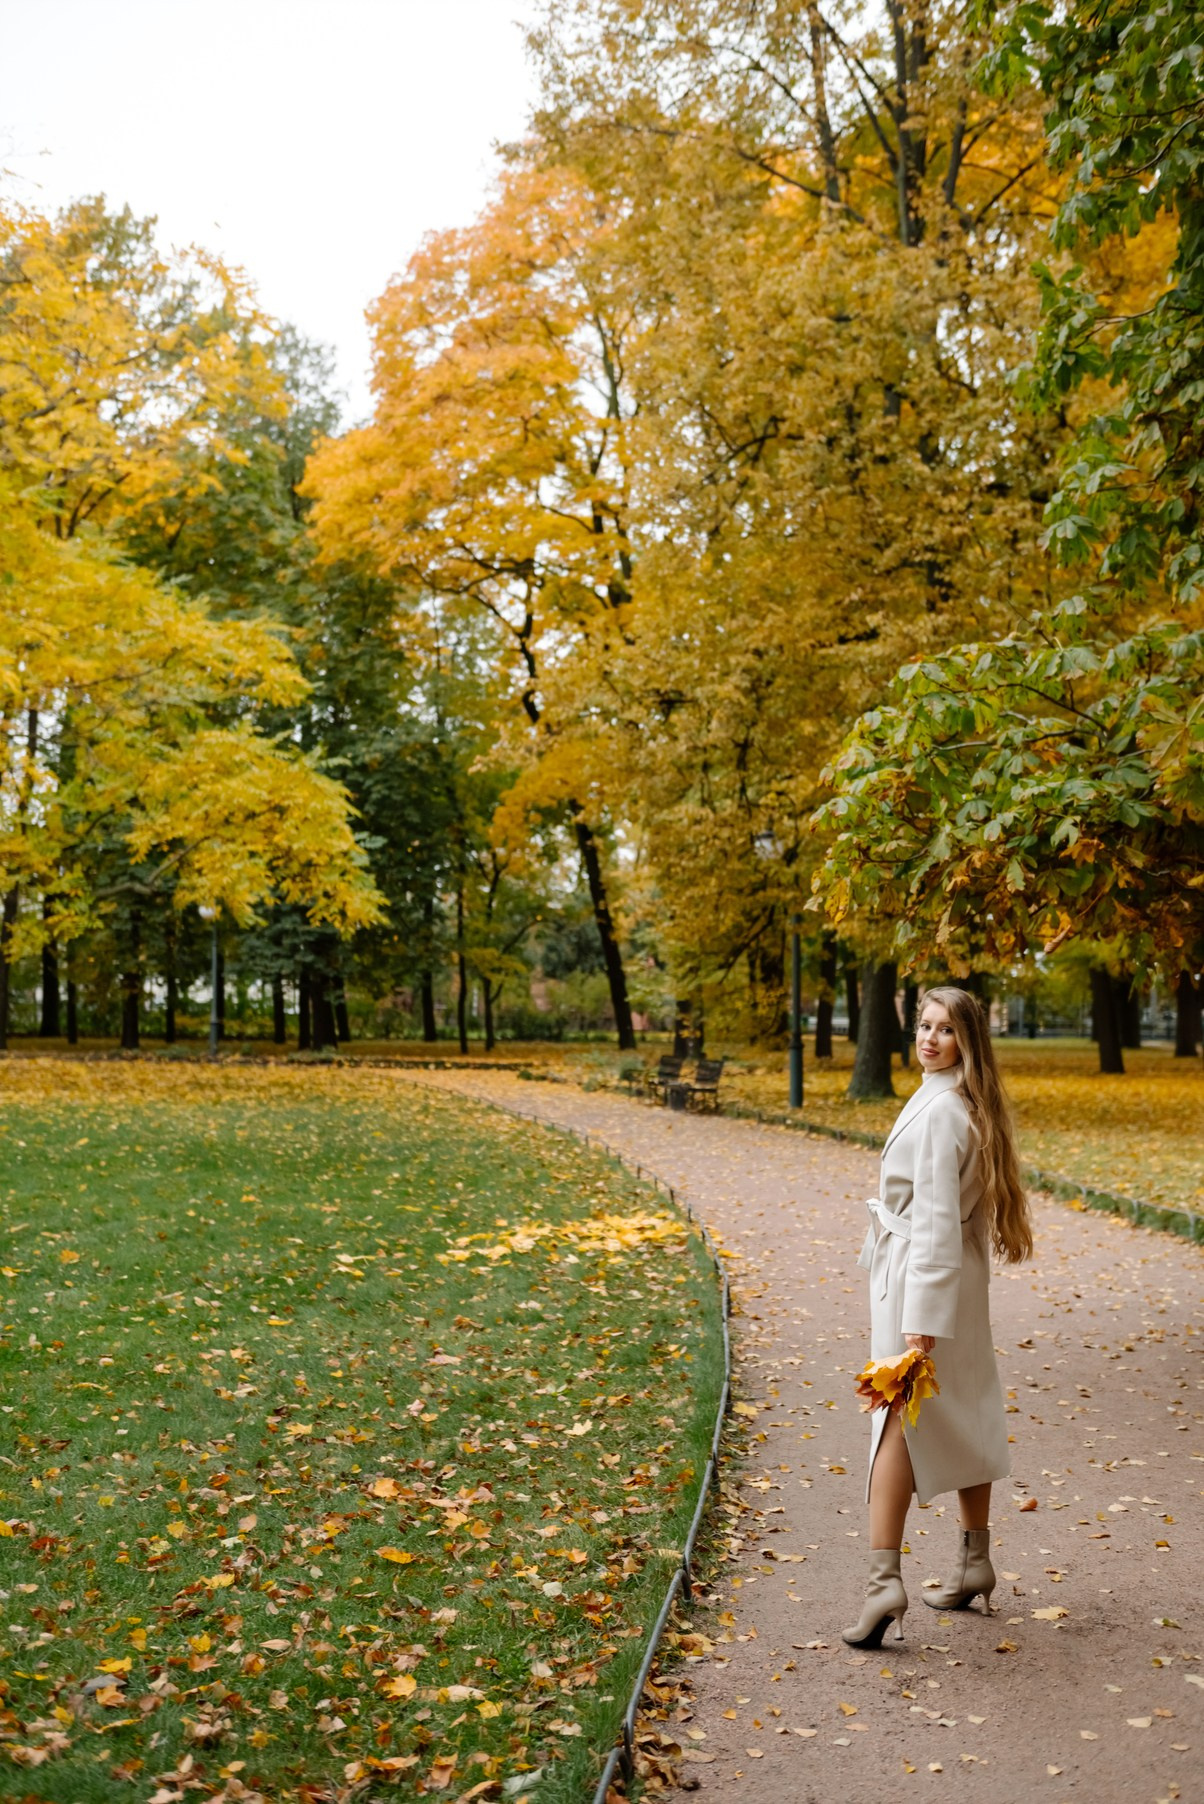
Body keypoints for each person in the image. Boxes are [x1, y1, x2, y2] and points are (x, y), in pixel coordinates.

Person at [842, 986, 1033, 1649]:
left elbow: (930, 1225)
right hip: (954, 1279)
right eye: (923, 1025)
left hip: (920, 1283)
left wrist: (920, 1325)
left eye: (945, 1030)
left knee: (896, 1417)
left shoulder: (943, 1114)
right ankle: (975, 1561)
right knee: (965, 1409)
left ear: (968, 1041)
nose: (929, 1038)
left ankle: (882, 1584)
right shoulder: (958, 1103)